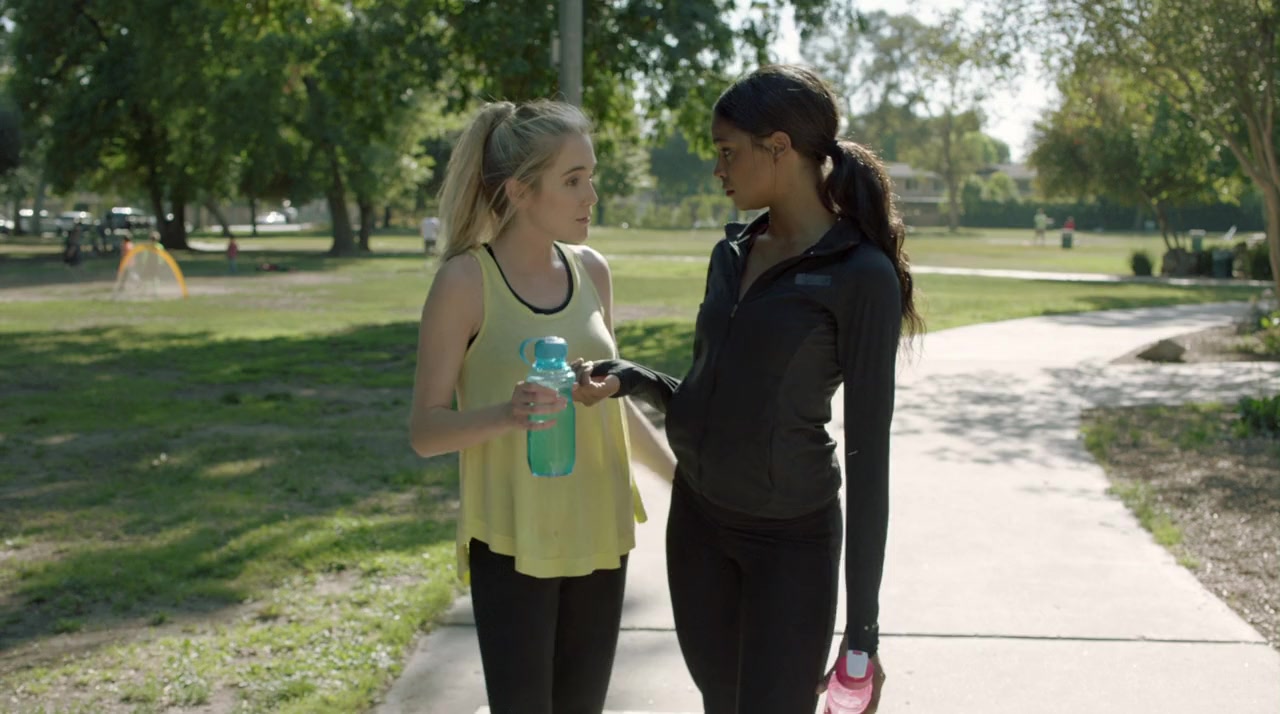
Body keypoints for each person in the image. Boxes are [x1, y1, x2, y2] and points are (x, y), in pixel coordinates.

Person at [573, 64, 921, 714]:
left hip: (791, 543)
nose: (718, 169)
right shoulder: (731, 254)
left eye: (728, 152)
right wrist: (635, 379)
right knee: (720, 703)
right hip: (698, 526)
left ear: (779, 147)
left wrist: (863, 631)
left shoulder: (859, 274)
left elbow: (870, 457)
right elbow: (715, 396)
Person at [407, 99, 671, 714]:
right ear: (521, 192)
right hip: (512, 538)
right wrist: (508, 414)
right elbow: (425, 431)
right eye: (573, 180)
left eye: (591, 177)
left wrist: (684, 482)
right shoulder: (465, 282)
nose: (592, 196)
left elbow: (613, 402)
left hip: (600, 529)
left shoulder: (593, 272)